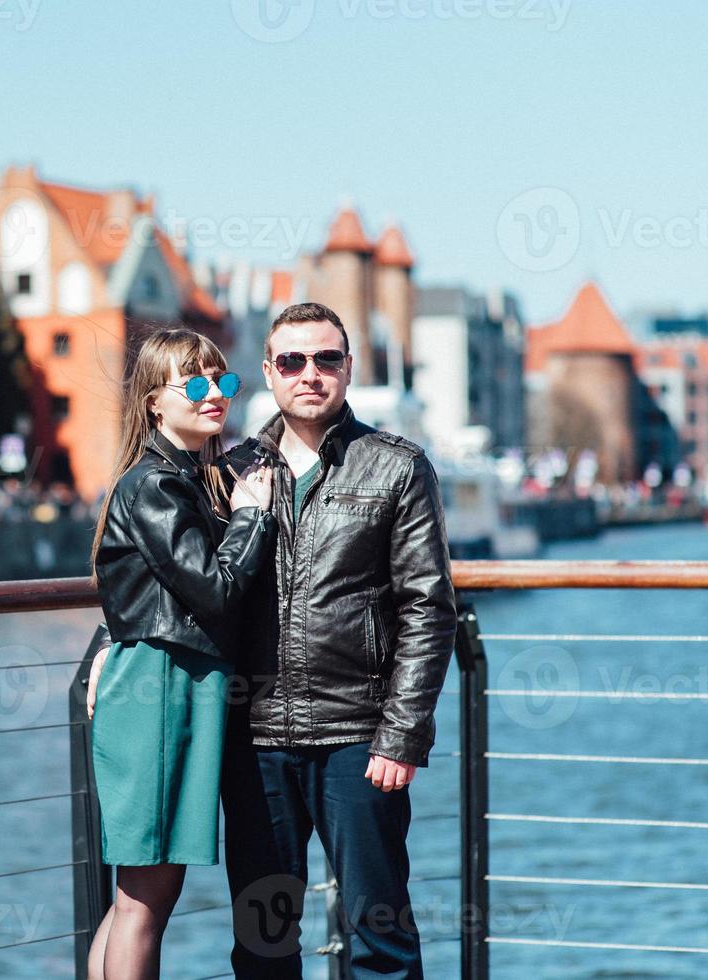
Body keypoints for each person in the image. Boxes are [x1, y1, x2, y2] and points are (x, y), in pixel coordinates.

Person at [221, 302, 457, 978]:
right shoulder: (230, 471)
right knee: (263, 941)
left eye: (327, 359)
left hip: (359, 739)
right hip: (255, 740)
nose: (310, 374)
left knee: (378, 937)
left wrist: (403, 733)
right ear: (268, 372)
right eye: (292, 361)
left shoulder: (397, 468)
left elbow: (427, 606)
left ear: (349, 368)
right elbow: (188, 591)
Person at [85, 327, 277, 980]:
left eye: (222, 380)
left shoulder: (190, 478)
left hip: (174, 687)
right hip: (160, 691)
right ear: (154, 403)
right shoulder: (155, 487)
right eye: (194, 384)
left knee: (137, 897)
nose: (214, 394)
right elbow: (217, 592)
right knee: (146, 897)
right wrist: (254, 517)